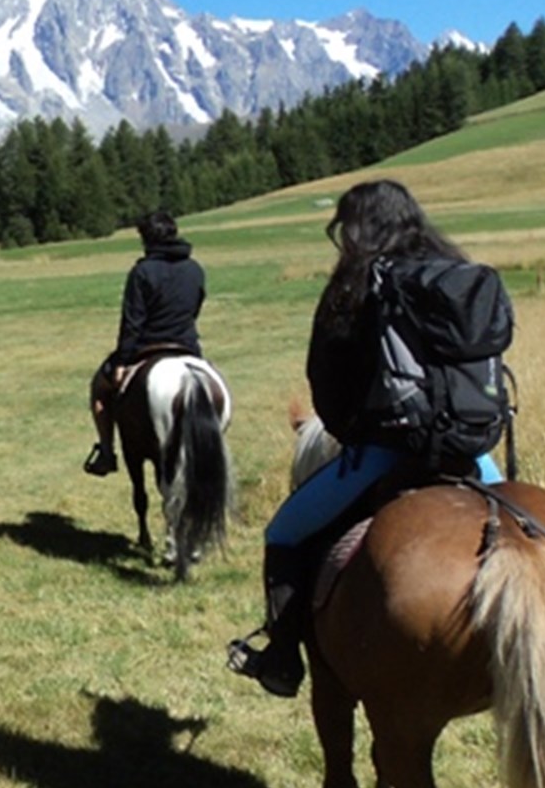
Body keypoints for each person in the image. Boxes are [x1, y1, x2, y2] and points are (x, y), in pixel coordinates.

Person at [228, 180, 509, 697]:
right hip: (472, 450)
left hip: (386, 451)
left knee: (283, 535)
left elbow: (326, 379)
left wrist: (351, 432)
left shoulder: (358, 285)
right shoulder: (455, 273)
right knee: (521, 527)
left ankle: (283, 659)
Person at [84, 210, 205, 476]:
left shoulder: (142, 272)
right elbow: (194, 310)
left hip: (147, 347)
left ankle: (106, 452)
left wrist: (123, 361)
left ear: (147, 239)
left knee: (99, 387)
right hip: (188, 347)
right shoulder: (195, 269)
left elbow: (132, 323)